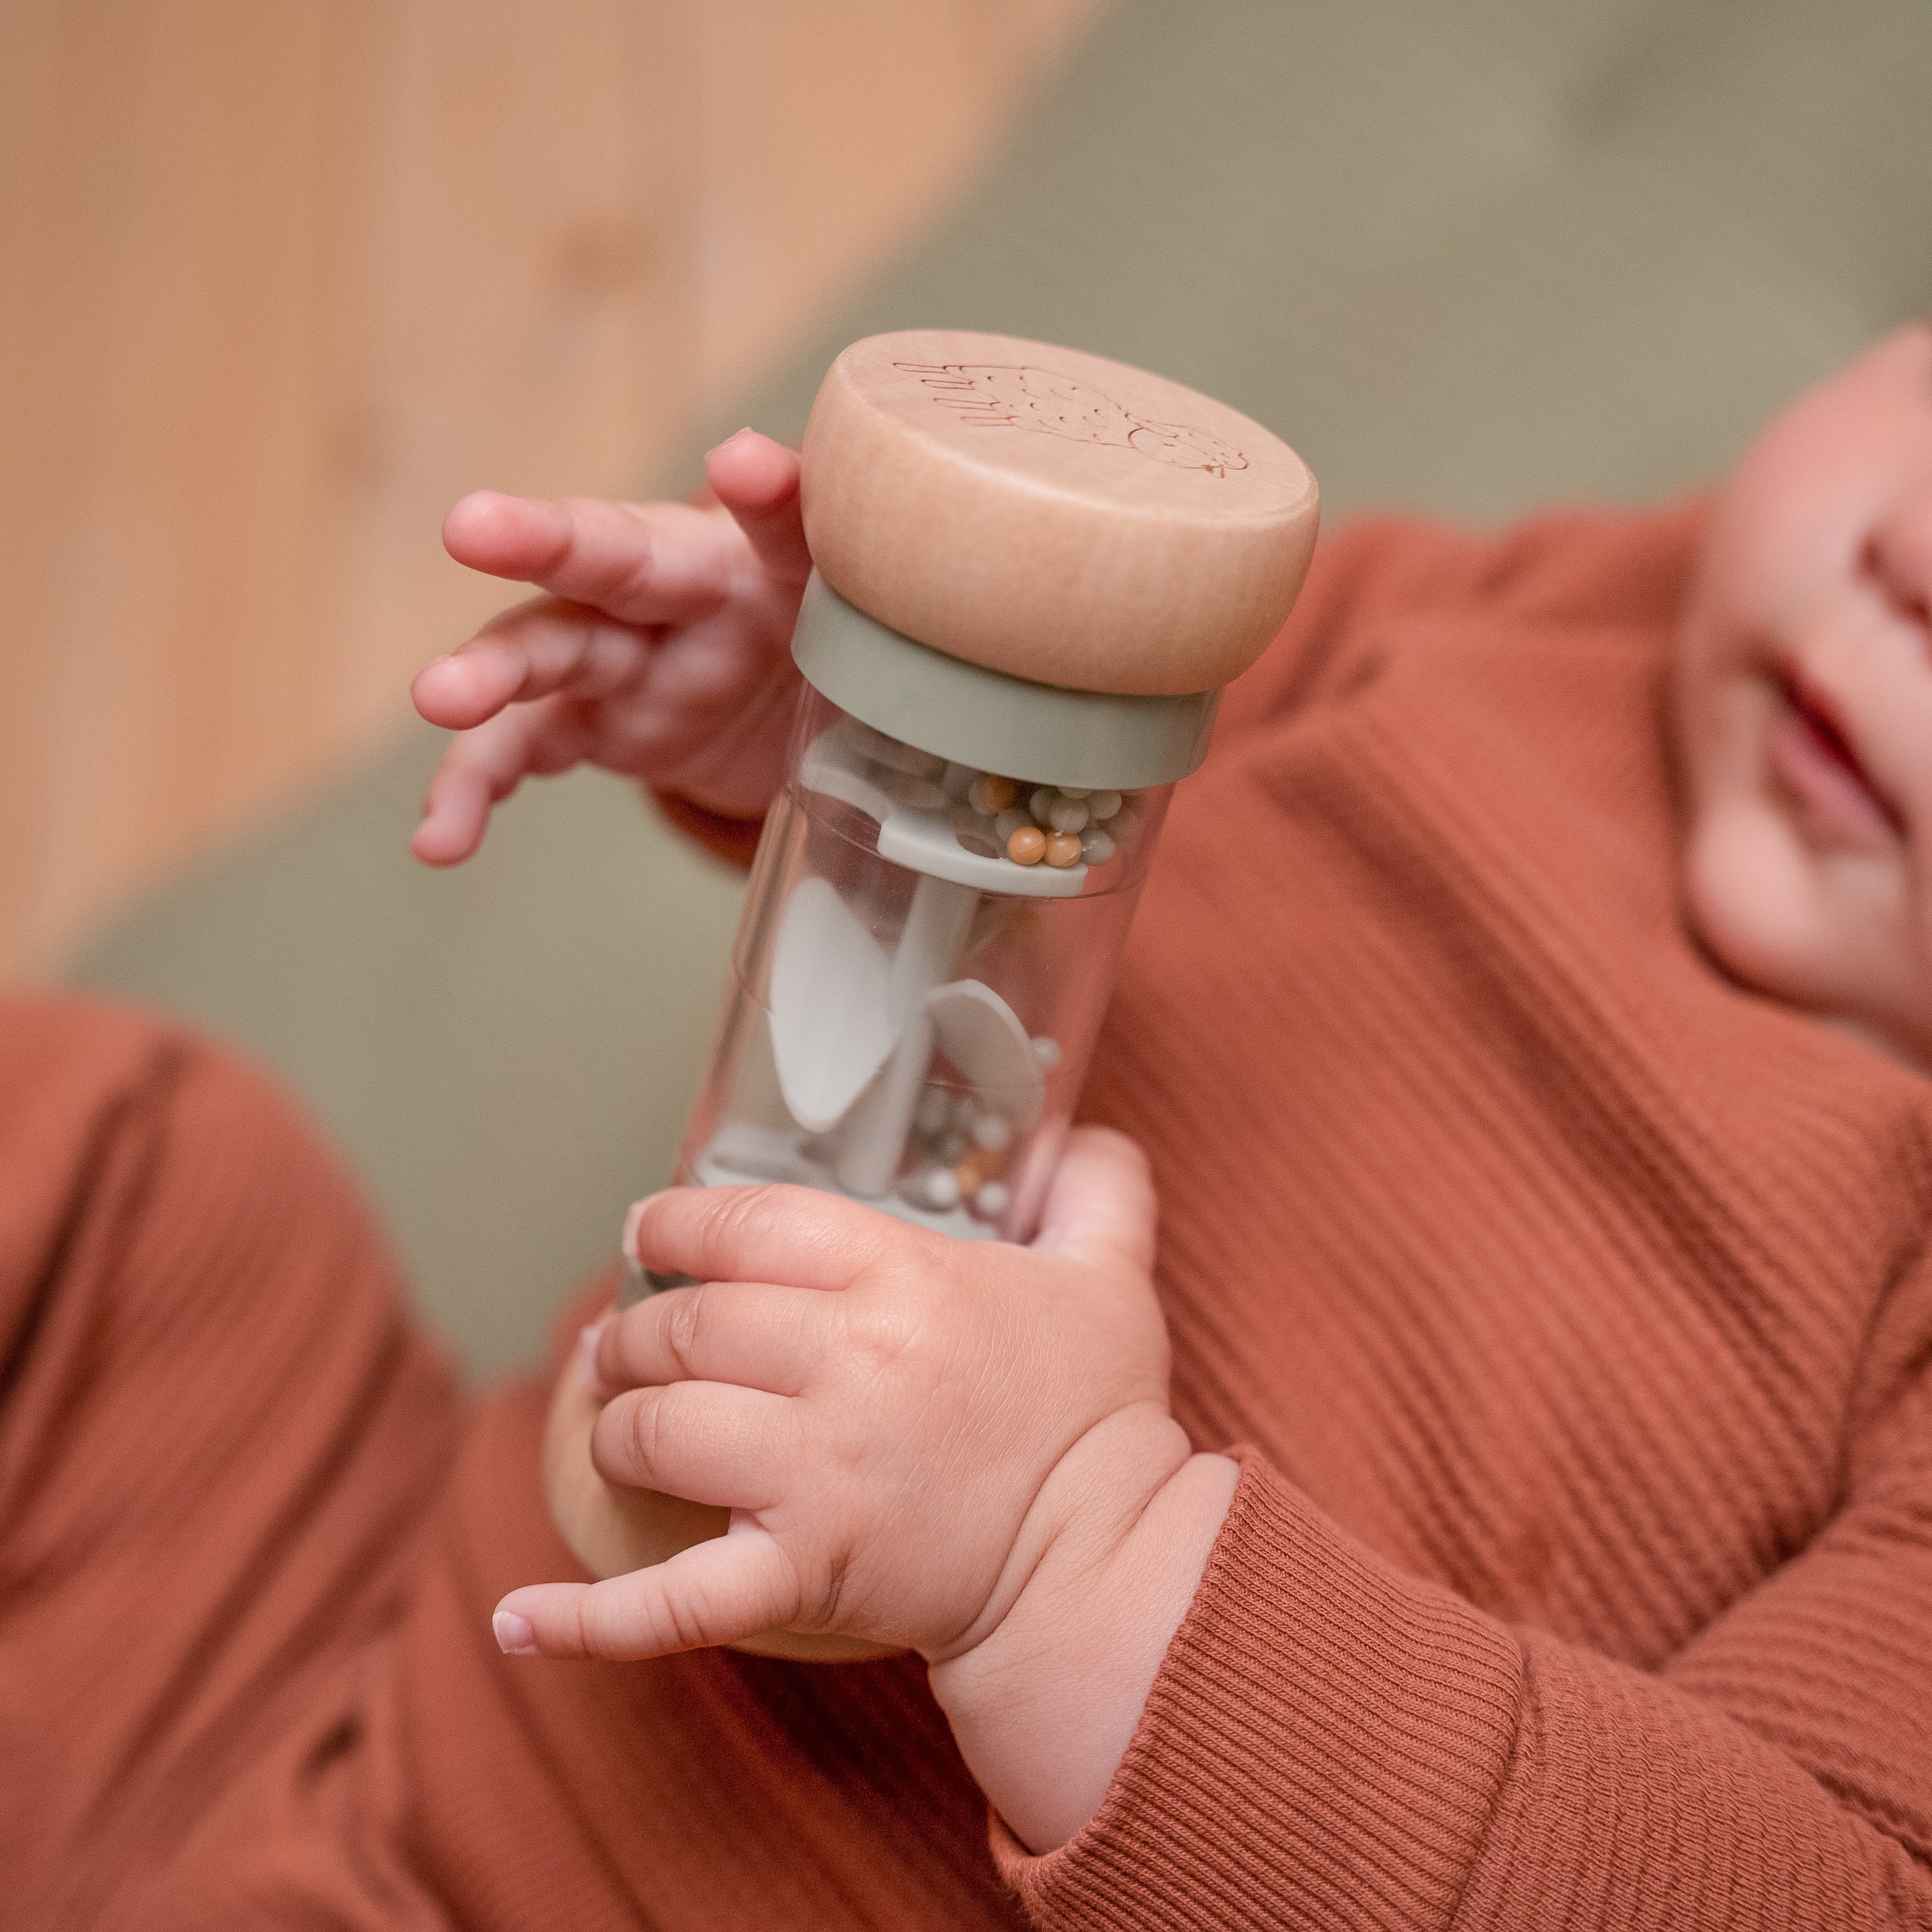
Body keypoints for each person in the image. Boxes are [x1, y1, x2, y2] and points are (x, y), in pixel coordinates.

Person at [6, 321, 1931, 1928]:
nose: (1917, 552)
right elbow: (1051, 795)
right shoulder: (1554, 618)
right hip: (387, 1671)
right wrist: (843, 735)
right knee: (120, 1159)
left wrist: (1072, 1556)